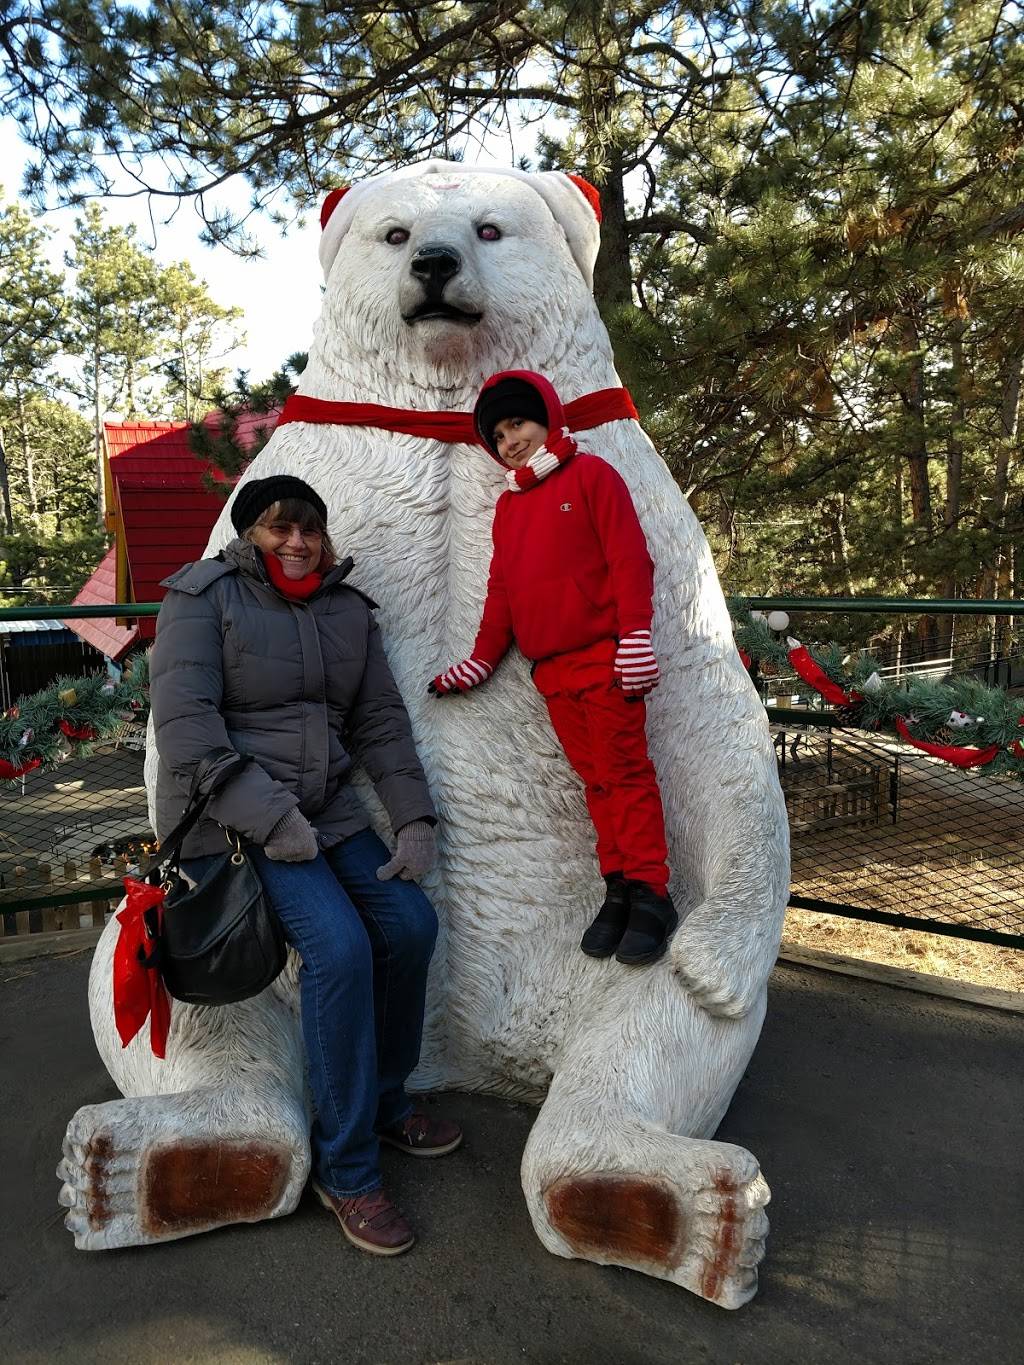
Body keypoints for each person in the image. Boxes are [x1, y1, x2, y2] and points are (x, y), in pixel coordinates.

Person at [149, 474, 460, 1257]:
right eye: (278, 528)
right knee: (340, 949)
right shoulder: (202, 597)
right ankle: (347, 1171)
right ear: (249, 533)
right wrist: (270, 815)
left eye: (309, 530)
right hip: (239, 819)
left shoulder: (346, 609)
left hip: (326, 813)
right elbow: (187, 728)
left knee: (410, 924)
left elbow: (381, 719)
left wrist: (414, 816)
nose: (297, 543)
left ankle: (385, 1104)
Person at [429, 371, 678, 966]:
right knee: (595, 781)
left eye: (518, 423)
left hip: (604, 659)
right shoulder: (510, 509)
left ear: (547, 419)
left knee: (625, 774)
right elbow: (503, 592)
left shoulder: (592, 476)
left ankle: (652, 892)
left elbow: (628, 558)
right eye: (498, 434)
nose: (510, 439)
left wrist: (636, 637)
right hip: (553, 672)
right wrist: (482, 658)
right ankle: (617, 883)